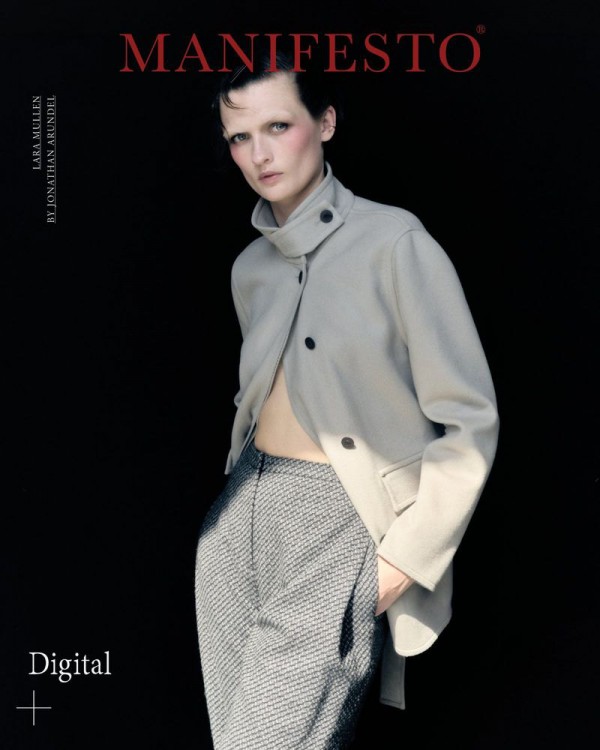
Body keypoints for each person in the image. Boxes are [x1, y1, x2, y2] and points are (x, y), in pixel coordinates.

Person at [194, 51, 499, 750]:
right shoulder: (250, 268)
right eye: (240, 137)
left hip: (338, 521)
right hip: (238, 518)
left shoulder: (396, 242)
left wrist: (403, 561)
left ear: (326, 122)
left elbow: (471, 420)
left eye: (279, 126)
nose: (260, 154)